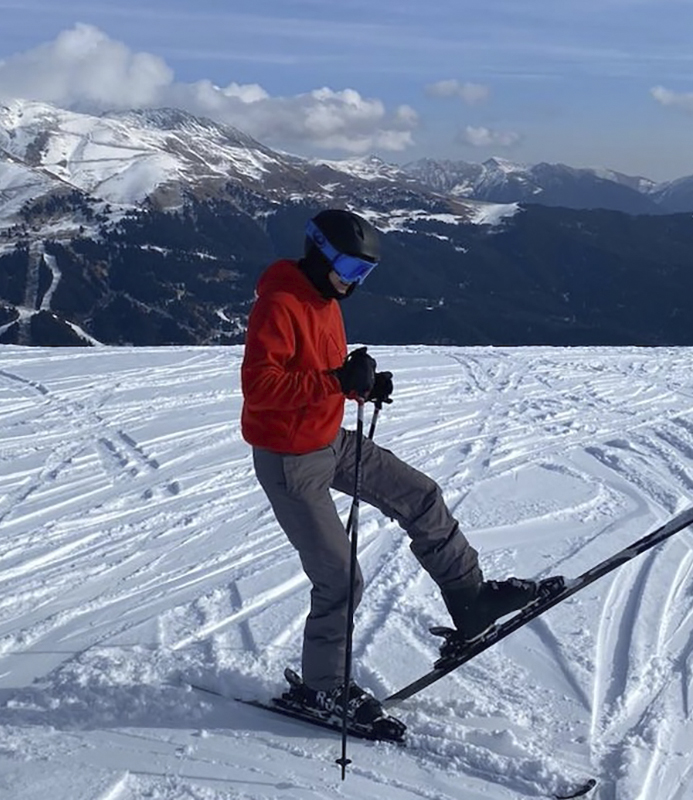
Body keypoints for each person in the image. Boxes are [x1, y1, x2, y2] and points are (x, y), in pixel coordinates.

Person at [239, 208, 563, 726]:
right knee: (341, 580)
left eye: (363, 273)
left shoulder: (324, 298)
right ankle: (322, 688)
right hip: (288, 460)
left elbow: (323, 372)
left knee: (421, 496)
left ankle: (470, 600)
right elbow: (260, 387)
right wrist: (338, 381)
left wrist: (360, 383)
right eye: (347, 267)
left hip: (330, 440)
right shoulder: (279, 303)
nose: (353, 282)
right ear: (320, 253)